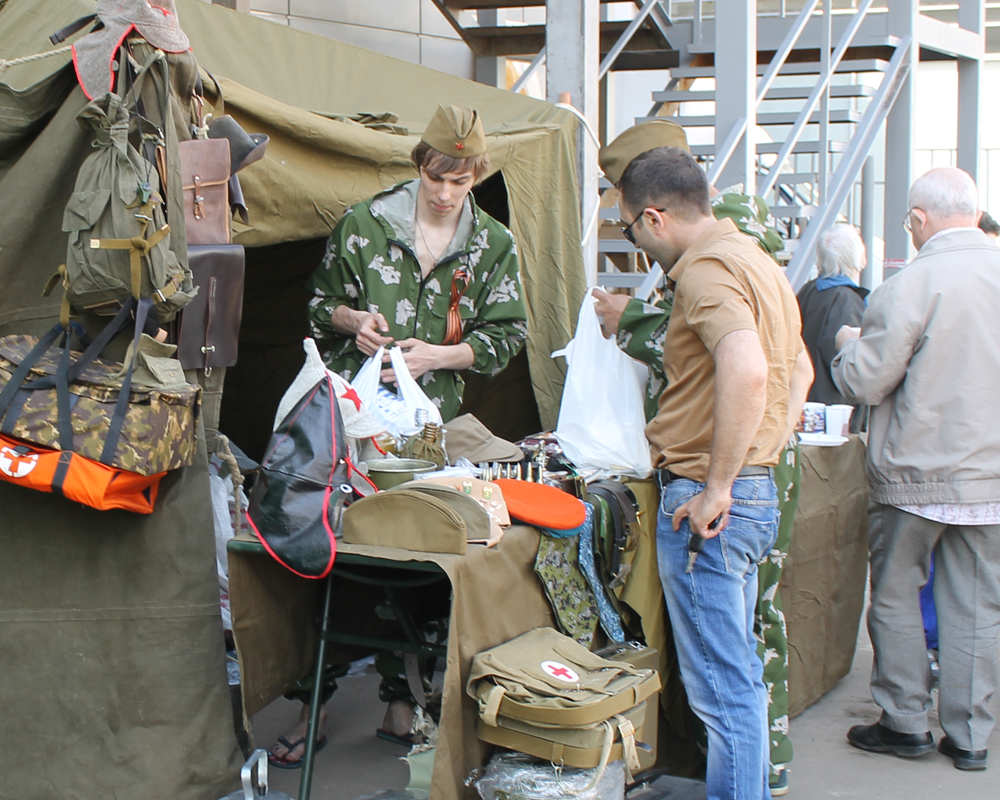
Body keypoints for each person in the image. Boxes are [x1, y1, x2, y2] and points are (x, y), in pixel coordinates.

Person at [269, 105, 528, 768]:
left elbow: (507, 336)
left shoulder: (492, 245)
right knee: (329, 557)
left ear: (477, 177)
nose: (445, 193)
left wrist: (439, 356)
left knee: (411, 561)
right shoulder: (367, 224)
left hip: (426, 437)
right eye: (436, 178)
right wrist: (353, 321)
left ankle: (400, 696)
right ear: (419, 166)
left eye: (460, 182)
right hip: (351, 429)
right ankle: (311, 704)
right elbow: (318, 306)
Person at [595, 120, 807, 796]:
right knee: (738, 679)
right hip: (748, 487)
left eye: (631, 229)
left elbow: (747, 368)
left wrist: (718, 485)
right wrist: (760, 452)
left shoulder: (706, 271)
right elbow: (798, 370)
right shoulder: (752, 257)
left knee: (723, 693)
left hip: (710, 500)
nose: (636, 242)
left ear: (655, 217)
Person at [834, 167, 1000, 772]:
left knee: (897, 596)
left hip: (914, 476)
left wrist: (848, 345)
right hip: (991, 478)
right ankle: (971, 734)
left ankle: (904, 722)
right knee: (978, 606)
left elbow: (865, 380)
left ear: (919, 219)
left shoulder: (910, 284)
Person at [796, 223, 869, 428]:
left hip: (807, 406)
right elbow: (848, 364)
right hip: (836, 415)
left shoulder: (807, 291)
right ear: (856, 256)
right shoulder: (845, 301)